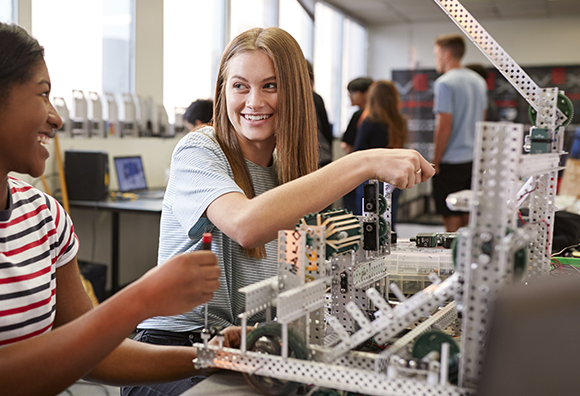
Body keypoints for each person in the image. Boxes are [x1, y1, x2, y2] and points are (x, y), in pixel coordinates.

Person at [0, 11, 238, 396]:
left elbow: (95, 354)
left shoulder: (42, 215)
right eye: (42, 93)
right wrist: (141, 298)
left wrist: (216, 357)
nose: (55, 118)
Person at [124, 27, 434, 396]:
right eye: (240, 86)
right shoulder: (198, 149)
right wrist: (363, 162)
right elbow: (245, 224)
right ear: (223, 91)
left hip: (249, 348)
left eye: (270, 86)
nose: (254, 101)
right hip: (176, 350)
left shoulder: (286, 169)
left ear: (295, 93)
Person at [432, 34, 487, 232]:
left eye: (436, 54)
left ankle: (454, 261)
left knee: (451, 220)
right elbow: (483, 121)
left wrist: (435, 161)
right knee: (469, 215)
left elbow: (444, 126)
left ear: (447, 55)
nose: (435, 59)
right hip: (473, 161)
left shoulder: (444, 83)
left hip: (451, 162)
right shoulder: (479, 81)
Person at [353, 80, 409, 224]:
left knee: (369, 222)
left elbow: (357, 151)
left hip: (371, 177)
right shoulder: (400, 121)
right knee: (389, 220)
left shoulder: (369, 121)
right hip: (394, 174)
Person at [340, 77, 373, 214]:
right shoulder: (385, 114)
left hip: (360, 170)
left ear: (366, 93)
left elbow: (348, 144)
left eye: (353, 93)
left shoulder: (361, 115)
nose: (350, 98)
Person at [306, 61, 333, 168]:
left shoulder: (311, 98)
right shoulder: (316, 98)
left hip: (314, 158)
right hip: (322, 155)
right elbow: (326, 130)